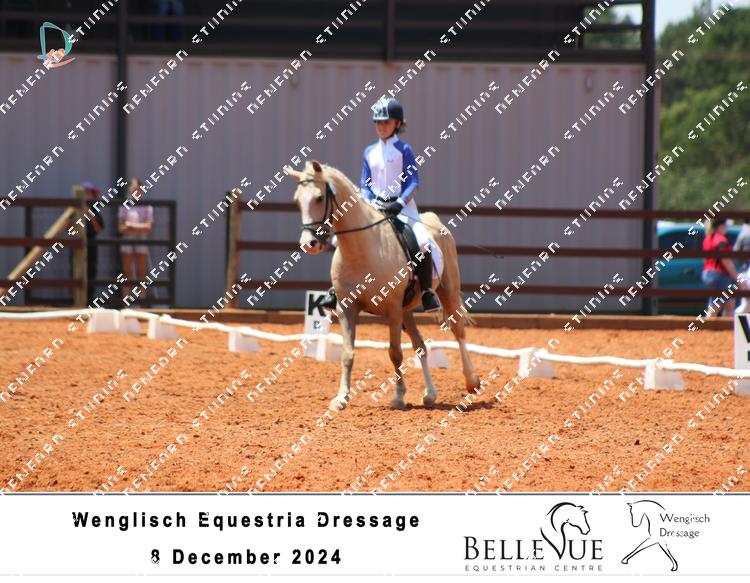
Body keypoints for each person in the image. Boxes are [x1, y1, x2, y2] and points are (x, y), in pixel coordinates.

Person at [319, 97, 442, 313]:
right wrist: (368, 202)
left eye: (386, 122)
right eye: (378, 122)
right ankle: (336, 288)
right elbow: (365, 184)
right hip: (375, 206)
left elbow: (413, 182)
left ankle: (427, 292)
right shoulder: (369, 152)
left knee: (423, 242)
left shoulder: (404, 150)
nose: (382, 126)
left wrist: (400, 202)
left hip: (403, 207)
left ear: (397, 124)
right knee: (339, 239)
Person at [118, 178, 154, 304]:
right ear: (129, 190)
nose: (136, 192)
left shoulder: (147, 206)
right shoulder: (124, 206)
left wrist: (131, 226)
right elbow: (121, 228)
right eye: (133, 189)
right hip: (127, 242)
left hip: (142, 242)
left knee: (141, 272)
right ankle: (126, 302)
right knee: (126, 272)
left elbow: (148, 227)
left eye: (138, 189)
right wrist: (139, 228)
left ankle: (141, 301)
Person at [701, 217, 738, 316]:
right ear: (721, 226)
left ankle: (723, 324)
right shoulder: (720, 239)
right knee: (718, 304)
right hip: (718, 274)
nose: (726, 228)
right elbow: (726, 260)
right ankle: (711, 324)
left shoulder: (708, 238)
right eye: (725, 225)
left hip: (708, 273)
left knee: (727, 303)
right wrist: (736, 276)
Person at [82, 181, 105, 303]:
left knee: (91, 270)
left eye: (89, 193)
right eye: (85, 193)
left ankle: (89, 300)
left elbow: (99, 229)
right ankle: (77, 299)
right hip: (78, 245)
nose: (87, 196)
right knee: (77, 270)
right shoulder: (75, 209)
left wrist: (90, 215)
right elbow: (69, 230)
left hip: (91, 244)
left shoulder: (95, 210)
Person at [733, 219, 750, 314]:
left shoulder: (743, 232)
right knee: (747, 303)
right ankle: (736, 319)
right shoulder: (746, 233)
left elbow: (736, 253)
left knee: (747, 303)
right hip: (746, 271)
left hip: (744, 271)